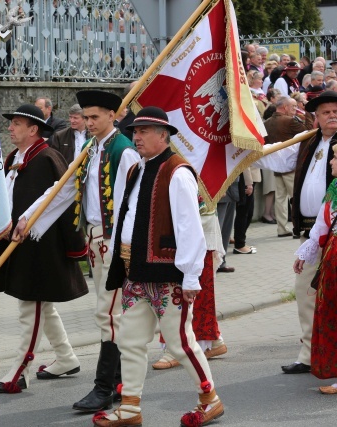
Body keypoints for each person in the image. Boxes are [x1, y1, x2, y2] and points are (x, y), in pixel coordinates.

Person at [93, 106, 224, 427]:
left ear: (163, 136)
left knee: (179, 342)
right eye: (134, 131)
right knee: (130, 341)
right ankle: (130, 407)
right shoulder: (139, 169)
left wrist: (191, 277)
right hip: (135, 272)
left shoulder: (178, 171)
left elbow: (189, 227)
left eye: (143, 131)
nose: (136, 137)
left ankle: (210, 399)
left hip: (168, 275)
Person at [13, 90, 140, 412]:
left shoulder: (123, 152)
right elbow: (63, 190)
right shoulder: (89, 148)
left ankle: (104, 387)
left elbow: (131, 205)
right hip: (95, 241)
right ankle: (117, 383)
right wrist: (29, 217)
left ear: (114, 115)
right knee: (112, 315)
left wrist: (122, 248)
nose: (89, 122)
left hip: (114, 241)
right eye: (87, 117)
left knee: (109, 314)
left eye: (96, 117)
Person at [0, 104, 88, 393]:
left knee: (30, 306)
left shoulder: (46, 158)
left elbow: (63, 203)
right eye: (11, 124)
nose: (10, 128)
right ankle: (66, 357)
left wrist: (71, 246)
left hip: (42, 248)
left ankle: (20, 370)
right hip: (21, 245)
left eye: (16, 124)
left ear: (33, 129)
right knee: (41, 304)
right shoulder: (16, 158)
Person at [256, 90, 337, 375]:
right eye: (325, 112)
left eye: (335, 111)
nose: (331, 116)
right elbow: (274, 160)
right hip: (309, 233)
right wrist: (241, 152)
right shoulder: (307, 142)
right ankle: (309, 353)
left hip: (335, 233)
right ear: (315, 117)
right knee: (305, 293)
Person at [152, 206, 227, 370]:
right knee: (195, 294)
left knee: (178, 293)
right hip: (181, 230)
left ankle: (177, 348)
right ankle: (213, 341)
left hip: (191, 233)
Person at [293, 144, 337, 394]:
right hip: (333, 255)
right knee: (331, 311)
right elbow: (322, 224)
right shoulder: (334, 189)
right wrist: (306, 253)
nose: (331, 162)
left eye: (336, 158)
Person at [263, 97, 314, 238]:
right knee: (295, 196)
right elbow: (309, 132)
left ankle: (281, 228)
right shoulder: (290, 121)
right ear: (284, 107)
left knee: (280, 199)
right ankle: (298, 227)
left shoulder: (267, 122)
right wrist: (308, 113)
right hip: (291, 165)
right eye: (292, 107)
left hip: (276, 166)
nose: (294, 110)